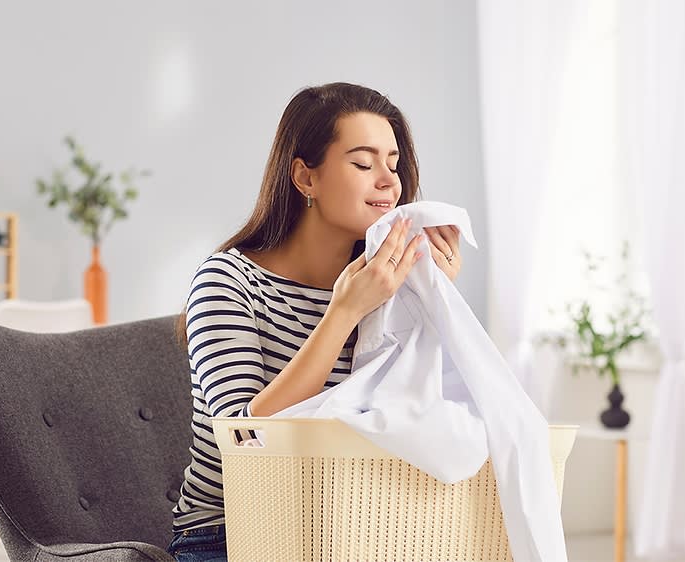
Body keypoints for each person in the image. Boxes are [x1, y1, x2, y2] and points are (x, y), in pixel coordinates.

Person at [167, 82, 463, 562]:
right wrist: (343, 313)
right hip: (233, 532)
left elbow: (421, 421)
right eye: (364, 164)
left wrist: (435, 305)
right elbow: (245, 440)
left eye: (394, 164)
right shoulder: (228, 281)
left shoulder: (391, 288)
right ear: (306, 178)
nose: (388, 181)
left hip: (355, 526)